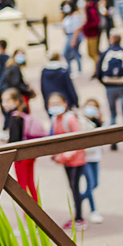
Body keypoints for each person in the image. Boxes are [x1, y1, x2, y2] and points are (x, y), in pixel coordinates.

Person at [48, 94, 98, 226]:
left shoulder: (69, 118)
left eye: (57, 103)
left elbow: (78, 140)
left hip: (77, 159)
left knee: (75, 187)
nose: (54, 106)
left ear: (64, 103)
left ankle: (79, 218)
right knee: (72, 187)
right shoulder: (55, 119)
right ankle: (78, 215)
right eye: (51, 104)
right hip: (66, 160)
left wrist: (64, 156)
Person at [94, 31, 123, 152]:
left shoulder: (104, 53)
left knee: (113, 114)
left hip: (110, 87)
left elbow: (98, 72)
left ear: (111, 40)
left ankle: (113, 141)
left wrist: (105, 83)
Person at [1, 87, 44, 202]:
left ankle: (28, 212)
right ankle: (36, 207)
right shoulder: (22, 114)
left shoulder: (15, 117)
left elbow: (14, 140)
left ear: (16, 101)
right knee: (30, 182)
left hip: (21, 157)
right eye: (3, 101)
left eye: (7, 101)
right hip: (29, 153)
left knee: (22, 184)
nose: (4, 104)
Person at [83, 97, 106, 211]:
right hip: (85, 158)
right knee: (90, 185)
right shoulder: (81, 121)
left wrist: (100, 121)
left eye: (94, 107)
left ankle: (79, 199)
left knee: (95, 184)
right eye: (89, 106)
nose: (91, 109)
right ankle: (93, 210)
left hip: (96, 157)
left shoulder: (98, 123)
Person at [61, 1, 85, 74]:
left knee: (71, 52)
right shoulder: (67, 16)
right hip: (69, 35)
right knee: (72, 53)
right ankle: (71, 69)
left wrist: (74, 40)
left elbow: (76, 29)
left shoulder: (75, 15)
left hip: (73, 36)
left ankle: (78, 70)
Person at [83, 0, 103, 64]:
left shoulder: (92, 10)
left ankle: (97, 70)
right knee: (90, 53)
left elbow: (96, 22)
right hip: (89, 33)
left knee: (94, 53)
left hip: (93, 34)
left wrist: (85, 26)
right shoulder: (87, 9)